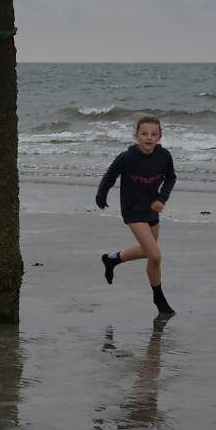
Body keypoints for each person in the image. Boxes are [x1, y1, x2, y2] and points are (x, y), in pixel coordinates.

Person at [95, 114, 177, 315]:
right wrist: (101, 195)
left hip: (151, 209)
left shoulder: (164, 156)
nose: (149, 137)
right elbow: (109, 176)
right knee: (155, 255)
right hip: (132, 210)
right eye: (144, 133)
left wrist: (162, 198)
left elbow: (171, 177)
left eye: (153, 134)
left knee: (145, 252)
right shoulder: (126, 158)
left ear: (160, 136)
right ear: (136, 136)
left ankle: (112, 259)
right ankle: (159, 299)